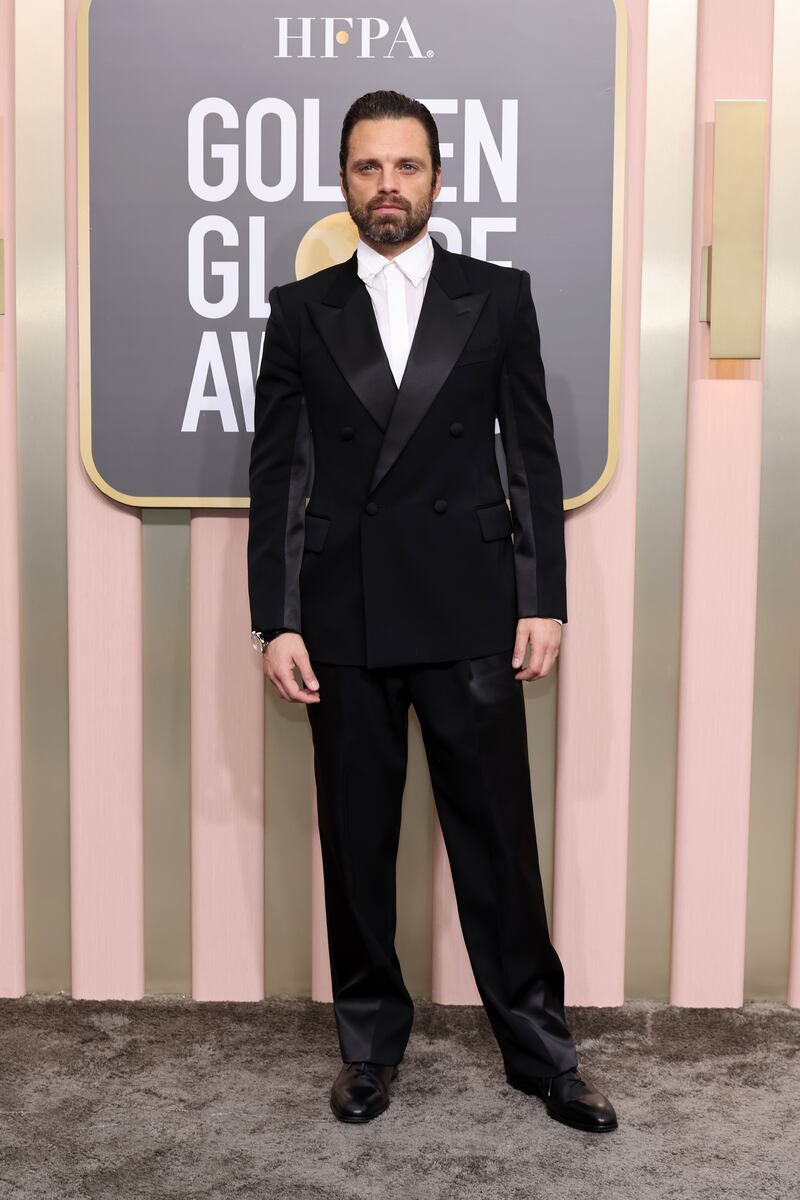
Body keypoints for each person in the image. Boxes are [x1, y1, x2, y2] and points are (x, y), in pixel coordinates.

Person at [247, 89, 617, 1134]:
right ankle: (367, 1047)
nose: (387, 187)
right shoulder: (299, 309)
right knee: (357, 848)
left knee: (497, 842)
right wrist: (275, 619)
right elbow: (278, 476)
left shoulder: (495, 296)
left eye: (405, 167)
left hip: (469, 605)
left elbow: (530, 458)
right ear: (342, 183)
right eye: (367, 169)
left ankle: (542, 1052)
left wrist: (539, 598)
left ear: (437, 180)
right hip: (341, 617)